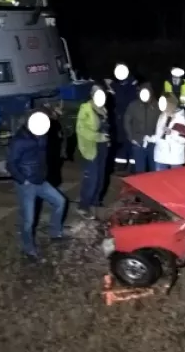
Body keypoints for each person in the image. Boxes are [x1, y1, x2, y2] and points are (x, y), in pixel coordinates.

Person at [6, 110, 67, 261]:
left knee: (60, 202)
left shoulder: (42, 135)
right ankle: (29, 250)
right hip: (27, 184)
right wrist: (23, 180)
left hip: (40, 180)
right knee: (28, 220)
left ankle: (55, 233)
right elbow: (10, 164)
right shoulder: (19, 141)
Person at [76, 85, 110, 219]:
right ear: (92, 95)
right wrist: (99, 137)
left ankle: (95, 202)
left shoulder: (103, 109)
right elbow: (81, 130)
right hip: (90, 148)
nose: (101, 97)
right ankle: (83, 206)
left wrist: (107, 138)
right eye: (97, 94)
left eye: (103, 95)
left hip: (102, 147)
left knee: (101, 177)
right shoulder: (85, 109)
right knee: (92, 179)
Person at [108, 62, 138, 172]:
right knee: (121, 142)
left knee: (130, 141)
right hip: (119, 118)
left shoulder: (132, 84)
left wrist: (114, 88)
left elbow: (125, 100)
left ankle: (133, 166)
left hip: (130, 118)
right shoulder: (118, 85)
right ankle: (121, 164)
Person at [123, 82, 159, 173]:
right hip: (138, 143)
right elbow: (126, 121)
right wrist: (131, 138)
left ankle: (152, 187)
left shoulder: (157, 106)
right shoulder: (133, 105)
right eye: (142, 93)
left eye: (147, 93)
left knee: (154, 170)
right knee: (140, 171)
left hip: (153, 143)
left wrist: (157, 138)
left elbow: (163, 122)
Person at [153, 92, 185, 171]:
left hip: (174, 157)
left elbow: (183, 139)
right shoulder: (162, 116)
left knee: (175, 181)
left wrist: (171, 133)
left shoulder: (180, 118)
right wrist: (151, 139)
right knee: (159, 180)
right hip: (161, 155)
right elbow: (158, 135)